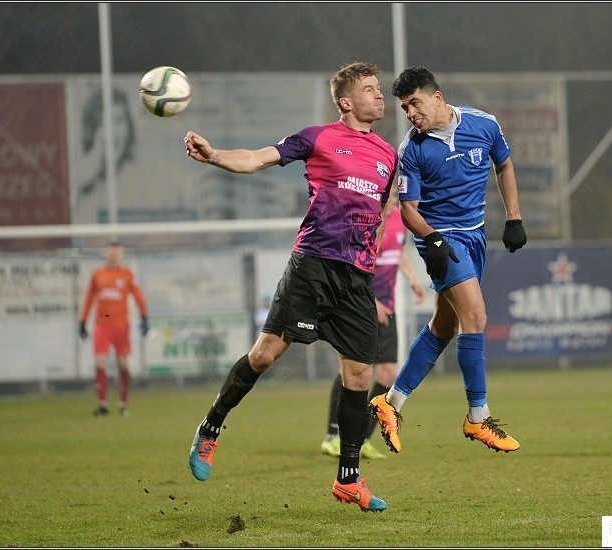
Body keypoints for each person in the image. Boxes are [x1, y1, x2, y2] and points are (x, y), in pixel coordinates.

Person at [184, 62, 398, 513]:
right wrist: (216, 155)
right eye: (369, 89)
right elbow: (259, 158)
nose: (380, 95)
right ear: (345, 101)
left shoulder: (387, 154)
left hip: (356, 279)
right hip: (312, 268)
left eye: (380, 89)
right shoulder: (318, 138)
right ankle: (211, 427)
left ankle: (349, 479)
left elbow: (378, 219)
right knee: (263, 356)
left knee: (359, 375)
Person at [369, 66, 528, 455]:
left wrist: (513, 218)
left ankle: (390, 403)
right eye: (404, 108)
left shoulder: (483, 125)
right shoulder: (413, 149)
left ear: (437, 97)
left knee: (444, 326)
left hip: (474, 235)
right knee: (475, 317)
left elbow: (503, 164)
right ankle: (478, 416)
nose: (410, 113)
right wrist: (433, 240)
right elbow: (408, 210)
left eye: (415, 103)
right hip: (439, 239)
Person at [320, 201, 425, 460]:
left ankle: (361, 439)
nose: (391, 199)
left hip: (386, 309)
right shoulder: (366, 221)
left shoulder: (401, 218)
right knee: (351, 369)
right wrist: (372, 302)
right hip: (358, 305)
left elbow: (398, 250)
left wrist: (412, 279)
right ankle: (333, 436)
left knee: (388, 375)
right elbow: (352, 265)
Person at [79, 241, 149, 417]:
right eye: (111, 253)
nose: (113, 256)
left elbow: (138, 296)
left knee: (123, 365)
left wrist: (144, 317)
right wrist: (83, 320)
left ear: (121, 255)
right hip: (102, 325)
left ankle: (123, 403)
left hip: (121, 325)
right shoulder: (98, 274)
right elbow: (89, 297)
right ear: (106, 254)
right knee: (100, 363)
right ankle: (103, 404)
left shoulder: (127, 275)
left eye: (117, 253)